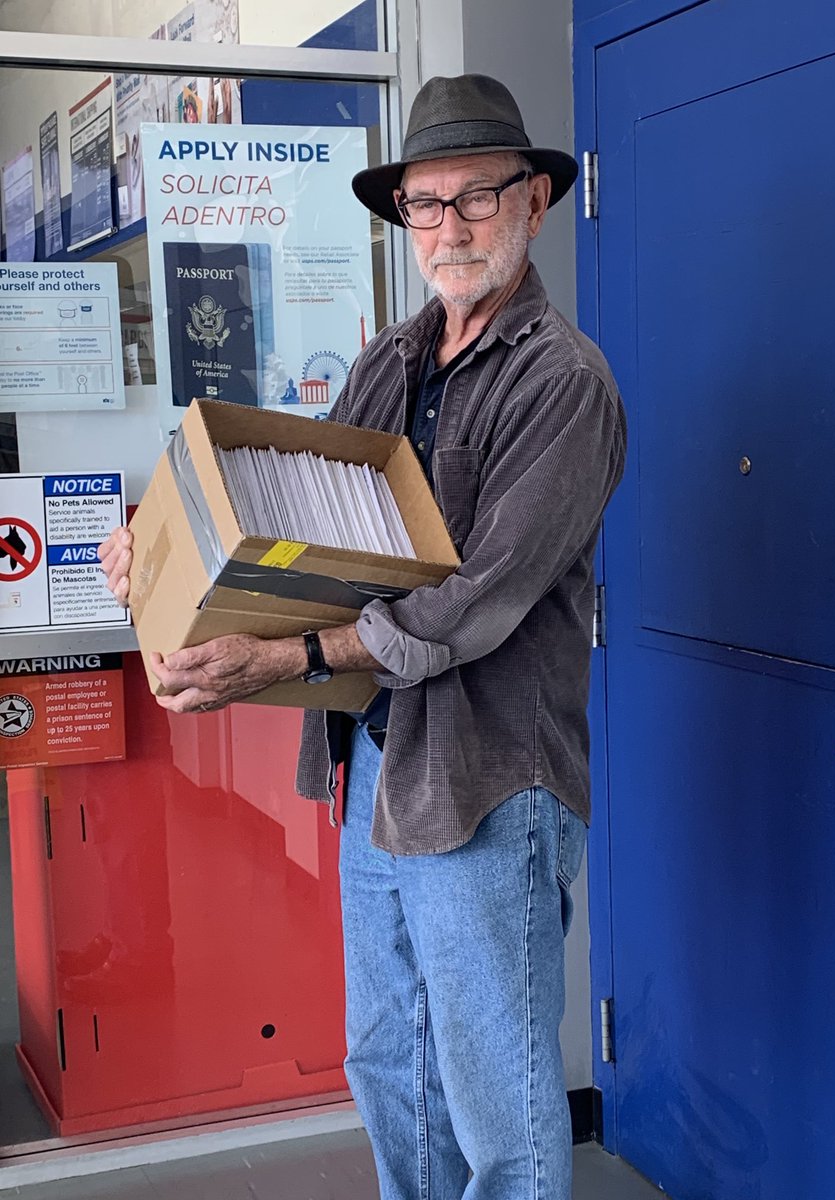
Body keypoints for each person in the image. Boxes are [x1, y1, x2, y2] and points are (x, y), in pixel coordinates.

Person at [100, 73, 626, 1200]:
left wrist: (286, 659)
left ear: (533, 201)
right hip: (381, 762)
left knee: (499, 1092)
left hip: (490, 780)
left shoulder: (563, 384)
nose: (449, 228)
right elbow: (289, 523)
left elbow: (478, 599)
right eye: (425, 206)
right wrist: (160, 556)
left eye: (476, 198)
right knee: (390, 1064)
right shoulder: (392, 359)